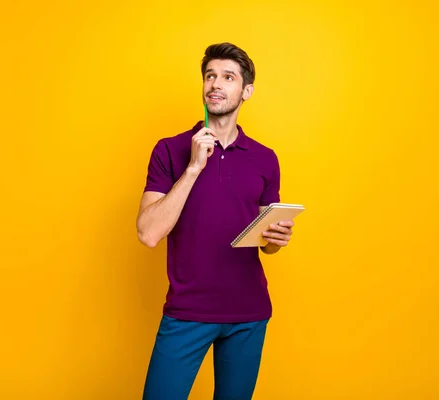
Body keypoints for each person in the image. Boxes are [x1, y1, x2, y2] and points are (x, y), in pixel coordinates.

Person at [136, 42, 295, 400]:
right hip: (188, 310)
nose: (216, 84)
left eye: (228, 77)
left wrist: (276, 238)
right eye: (210, 76)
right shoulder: (170, 149)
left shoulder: (265, 158)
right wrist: (193, 167)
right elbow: (148, 233)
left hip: (249, 313)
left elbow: (266, 242)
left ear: (246, 91)